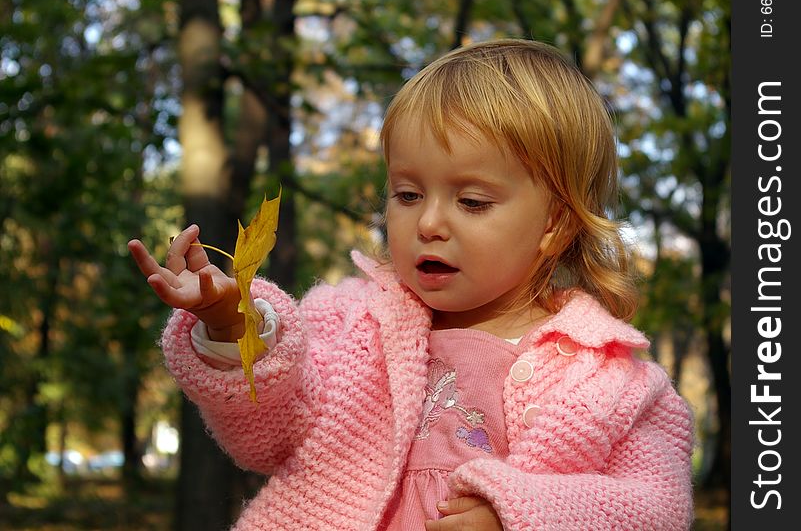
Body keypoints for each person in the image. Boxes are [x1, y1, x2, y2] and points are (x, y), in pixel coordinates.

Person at [129, 39, 694, 530]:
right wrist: (233, 323)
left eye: (471, 201)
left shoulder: (608, 378)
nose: (428, 223)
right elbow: (267, 432)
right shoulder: (354, 326)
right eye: (407, 194)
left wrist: (523, 514)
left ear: (554, 224)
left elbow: (656, 509)